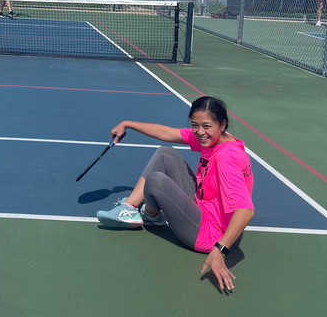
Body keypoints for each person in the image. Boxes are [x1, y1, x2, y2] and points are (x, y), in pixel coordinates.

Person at [95, 97, 254, 291]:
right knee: (165, 153)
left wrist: (220, 250)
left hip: (210, 235)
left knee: (156, 181)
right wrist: (127, 124)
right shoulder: (217, 140)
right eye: (195, 125)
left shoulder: (225, 157)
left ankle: (151, 215)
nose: (200, 132)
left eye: (206, 126)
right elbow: (166, 133)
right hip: (207, 210)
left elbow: (246, 210)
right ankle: (129, 208)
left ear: (222, 124)